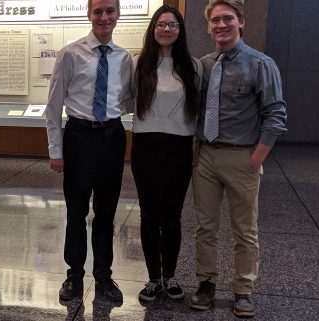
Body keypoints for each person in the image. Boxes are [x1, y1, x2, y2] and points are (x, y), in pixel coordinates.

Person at [189, 0, 287, 317]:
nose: (221, 25)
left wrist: (255, 158)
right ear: (208, 26)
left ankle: (243, 290)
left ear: (241, 21)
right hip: (205, 156)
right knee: (205, 228)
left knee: (245, 230)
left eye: (227, 19)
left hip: (241, 156)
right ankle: (205, 284)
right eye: (215, 20)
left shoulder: (261, 64)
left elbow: (275, 115)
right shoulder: (204, 64)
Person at [45, 0, 132, 304]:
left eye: (110, 11)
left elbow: (130, 99)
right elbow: (54, 106)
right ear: (89, 14)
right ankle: (74, 274)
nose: (104, 17)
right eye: (98, 11)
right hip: (80, 136)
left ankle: (104, 275)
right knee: (77, 209)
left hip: (112, 136)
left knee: (107, 211)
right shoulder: (70, 53)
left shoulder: (124, 58)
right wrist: (56, 150)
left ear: (118, 15)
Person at [129, 4, 202, 303]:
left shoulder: (193, 66)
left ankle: (170, 277)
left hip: (179, 147)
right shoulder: (138, 63)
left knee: (172, 216)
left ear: (180, 30)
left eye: (172, 24)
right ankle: (153, 279)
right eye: (161, 24)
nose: (166, 29)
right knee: (149, 214)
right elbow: (125, 98)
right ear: (153, 28)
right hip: (145, 145)